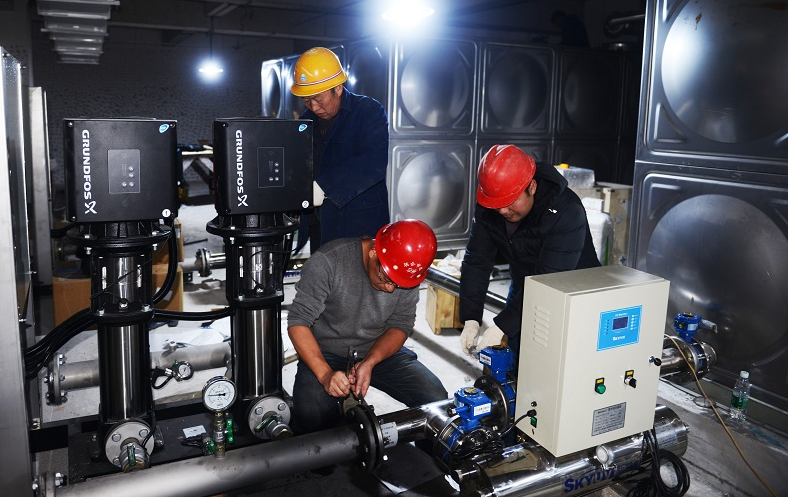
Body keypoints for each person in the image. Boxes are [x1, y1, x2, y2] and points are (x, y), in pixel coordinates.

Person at [287, 219, 447, 434]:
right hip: (325, 352)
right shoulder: (328, 261)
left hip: (377, 350)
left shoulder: (405, 271)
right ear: (373, 252)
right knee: (311, 419)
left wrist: (370, 361)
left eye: (398, 284)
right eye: (386, 278)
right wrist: (325, 375)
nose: (390, 290)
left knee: (436, 400)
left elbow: (400, 325)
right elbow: (298, 322)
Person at [458, 145, 600, 360]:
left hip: (570, 291)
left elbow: (548, 279)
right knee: (519, 351)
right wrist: (471, 317)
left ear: (532, 187)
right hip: (524, 283)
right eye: (497, 204)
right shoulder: (491, 204)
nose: (502, 211)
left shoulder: (566, 211)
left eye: (510, 202)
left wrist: (502, 325)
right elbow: (477, 260)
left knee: (561, 359)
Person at [290, 47, 390, 255]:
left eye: (318, 99)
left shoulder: (368, 111)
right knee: (323, 272)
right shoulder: (305, 121)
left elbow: (373, 163)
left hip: (358, 225)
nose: (314, 107)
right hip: (319, 223)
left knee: (355, 274)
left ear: (338, 88)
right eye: (307, 100)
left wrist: (324, 187)